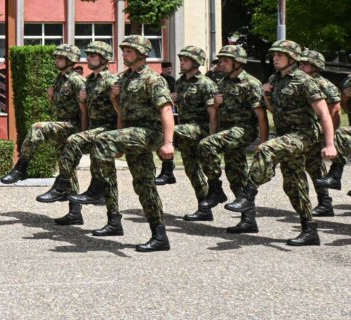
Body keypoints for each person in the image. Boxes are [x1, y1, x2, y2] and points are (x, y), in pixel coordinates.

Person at [227, 40, 337, 246]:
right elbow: (273, 110)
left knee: (266, 149)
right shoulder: (274, 80)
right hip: (286, 137)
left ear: (292, 58)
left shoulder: (305, 81)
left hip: (304, 135)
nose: (275, 58)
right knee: (294, 185)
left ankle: (248, 194)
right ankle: (310, 230)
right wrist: (266, 94)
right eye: (274, 55)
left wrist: (329, 144)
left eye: (280, 55)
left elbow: (324, 114)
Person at [81, 35, 175, 252]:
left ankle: (96, 188)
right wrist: (114, 100)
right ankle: (159, 236)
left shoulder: (153, 79)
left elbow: (166, 110)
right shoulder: (124, 79)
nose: (124, 54)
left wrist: (168, 143)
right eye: (123, 51)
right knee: (144, 185)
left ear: (142, 54)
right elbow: (121, 113)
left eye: (129, 51)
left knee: (102, 138)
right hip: (131, 134)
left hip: (149, 132)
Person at [1, 44, 87, 225]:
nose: (56, 61)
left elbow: (84, 108)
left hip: (73, 126)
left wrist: (84, 133)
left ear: (70, 60)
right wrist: (51, 98)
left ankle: (21, 168)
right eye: (56, 58)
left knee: (37, 127)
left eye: (60, 58)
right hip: (63, 124)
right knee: (67, 168)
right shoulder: (59, 79)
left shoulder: (77, 80)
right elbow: (57, 107)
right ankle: (75, 213)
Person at [47, 41, 122, 236]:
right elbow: (85, 111)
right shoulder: (89, 80)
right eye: (88, 55)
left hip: (107, 132)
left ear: (104, 59)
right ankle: (76, 209)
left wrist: (115, 101)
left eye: (93, 55)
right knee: (99, 175)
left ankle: (114, 221)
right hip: (93, 131)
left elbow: (122, 112)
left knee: (107, 177)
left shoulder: (111, 81)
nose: (88, 58)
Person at [196, 44, 268, 234]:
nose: (221, 64)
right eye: (220, 60)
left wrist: (264, 141)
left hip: (244, 130)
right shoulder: (223, 83)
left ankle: (215, 189)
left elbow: (261, 115)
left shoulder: (251, 83)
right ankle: (248, 221)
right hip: (228, 132)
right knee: (236, 174)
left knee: (206, 144)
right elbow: (217, 113)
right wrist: (217, 108)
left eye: (226, 61)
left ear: (238, 63)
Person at [163, 46, 219, 221]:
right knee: (192, 170)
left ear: (196, 63)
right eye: (181, 59)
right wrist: (175, 101)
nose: (181, 62)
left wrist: (212, 137)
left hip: (200, 128)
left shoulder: (206, 83)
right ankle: (204, 208)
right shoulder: (180, 82)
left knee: (168, 133)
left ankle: (167, 170)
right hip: (186, 129)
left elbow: (213, 113)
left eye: (185, 60)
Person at [297, 49, 342, 217]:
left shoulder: (324, 84)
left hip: (318, 133)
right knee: (308, 167)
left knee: (316, 169)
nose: (301, 65)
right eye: (300, 63)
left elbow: (335, 111)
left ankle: (325, 203)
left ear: (316, 66)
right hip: (305, 131)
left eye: (305, 63)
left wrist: (329, 136)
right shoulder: (300, 82)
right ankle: (322, 204)